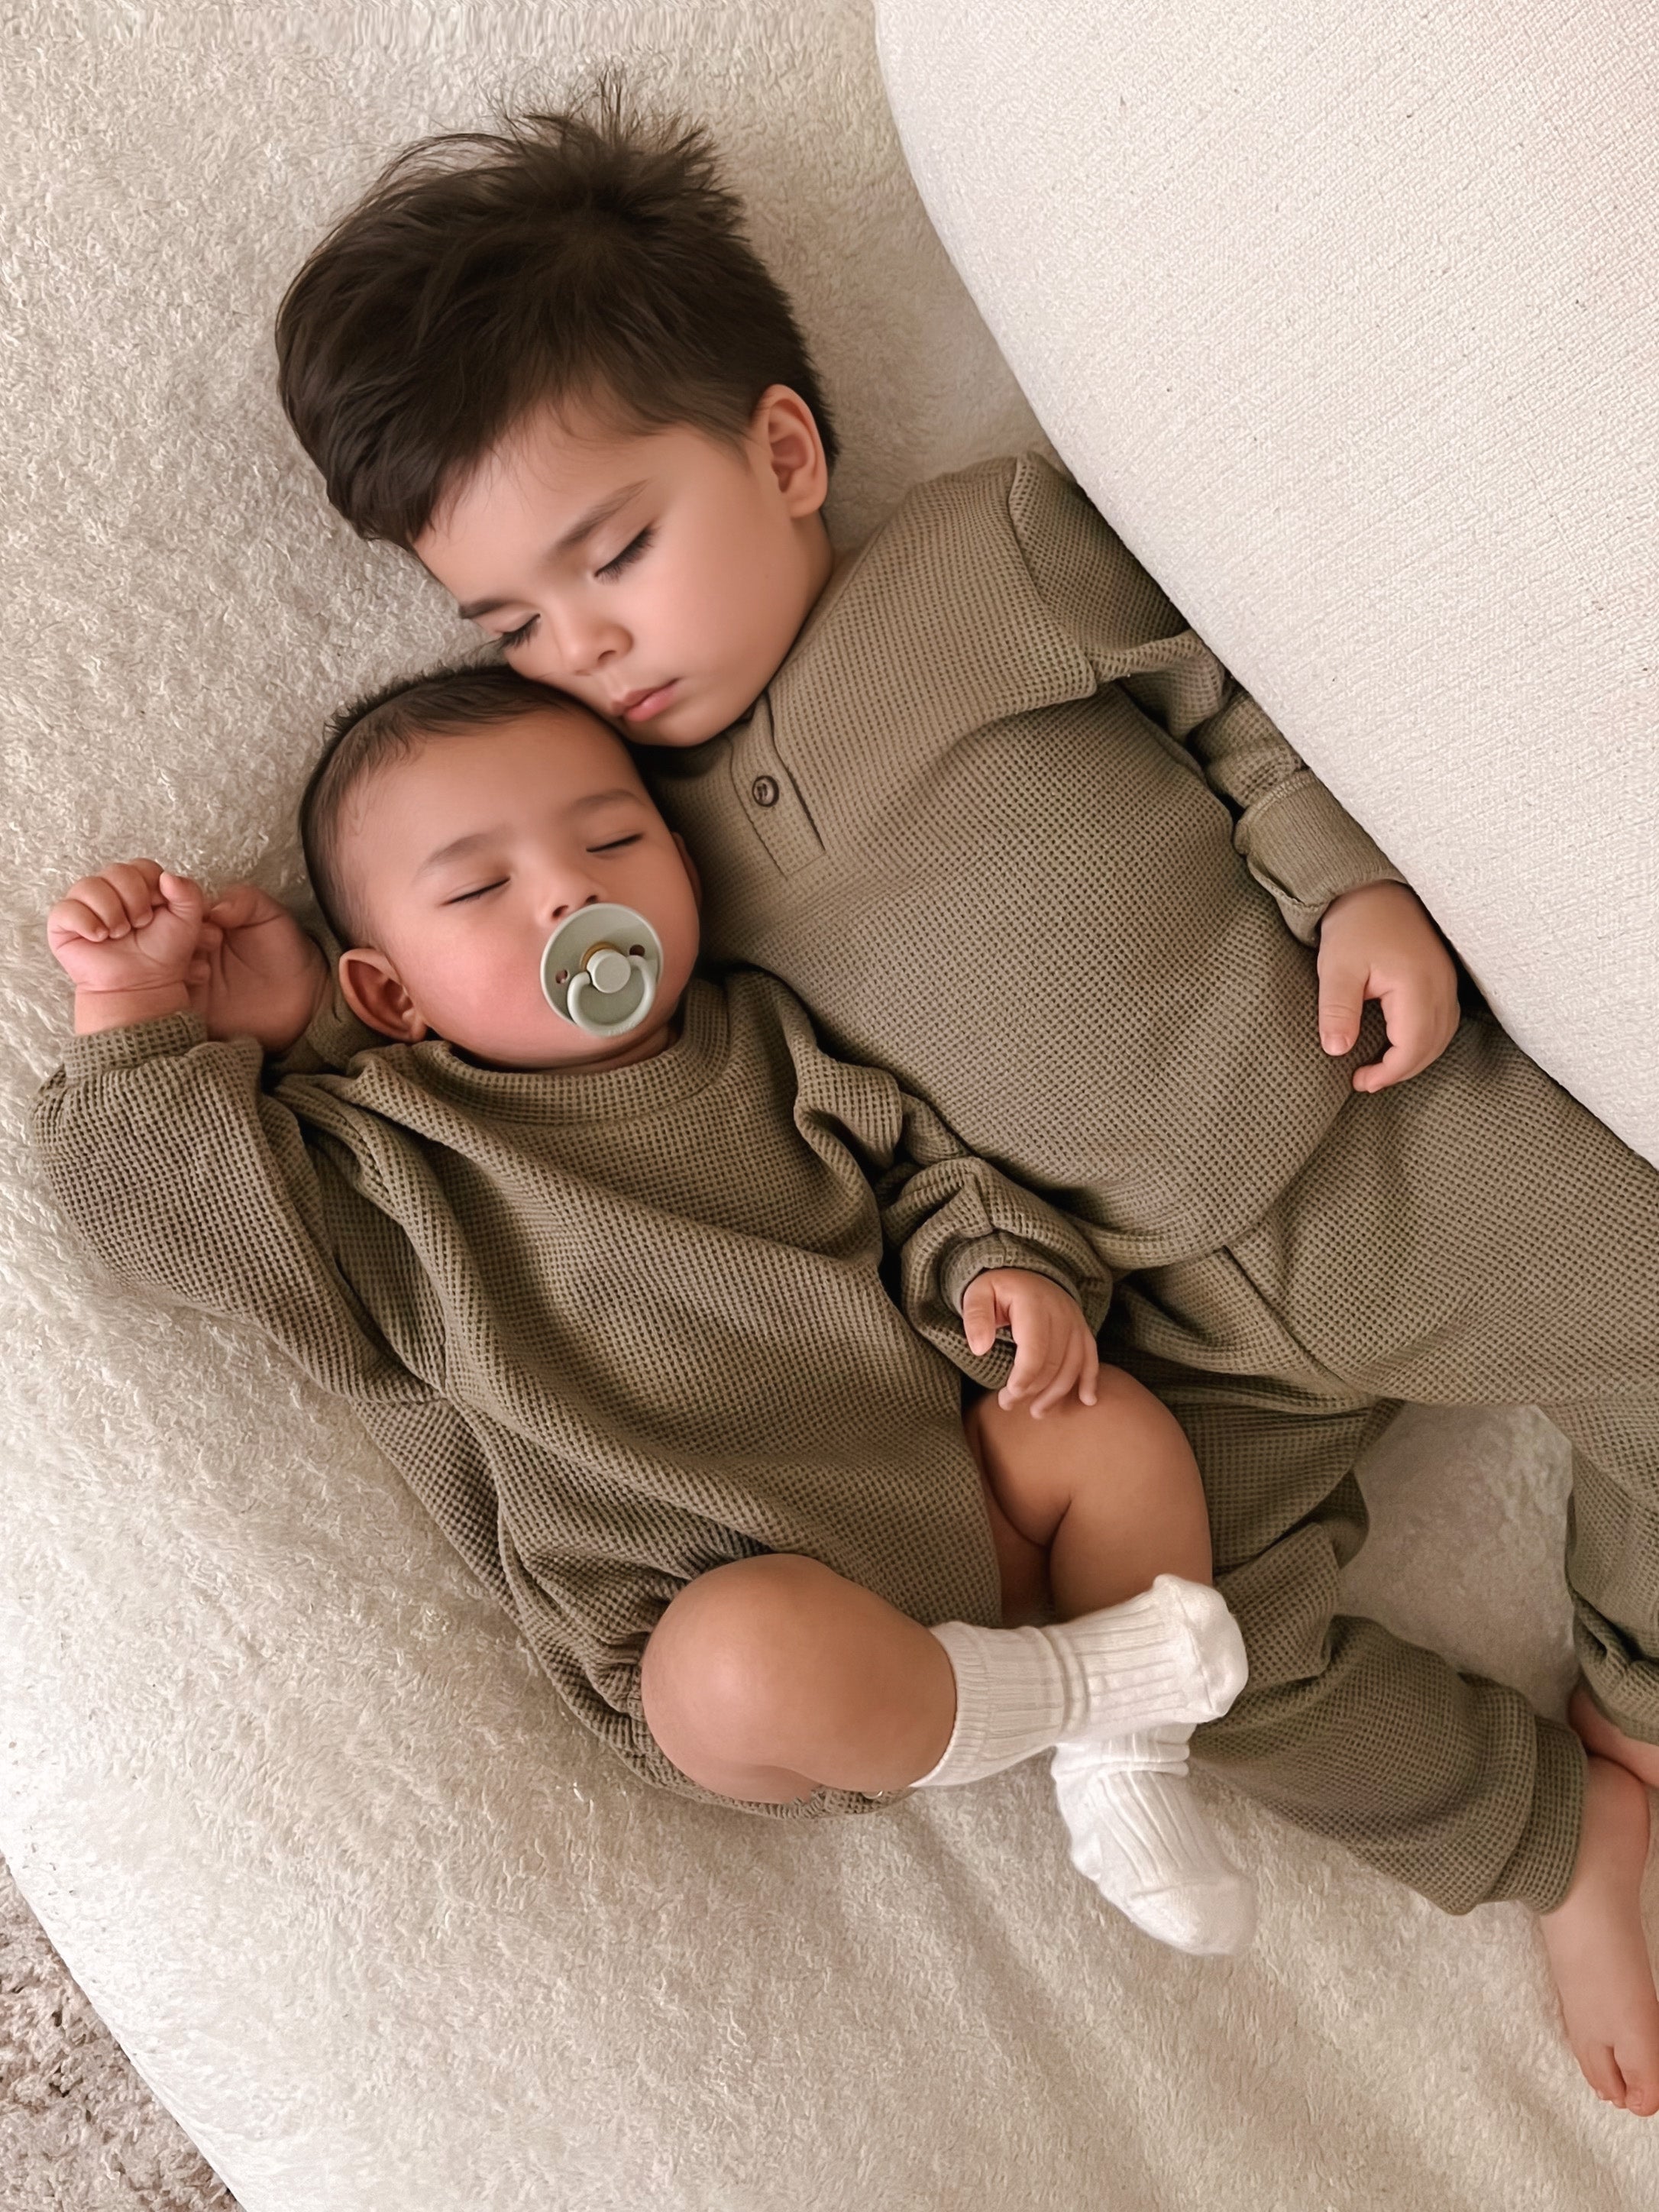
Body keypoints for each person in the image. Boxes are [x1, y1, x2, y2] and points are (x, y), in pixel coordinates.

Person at [268, 79, 1659, 2108]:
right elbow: (526, 1062)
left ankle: (1636, 1697)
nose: (587, 650)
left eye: (616, 553)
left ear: (782, 448)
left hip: (1365, 1132)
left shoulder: (987, 557)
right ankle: (1547, 1830)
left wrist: (1342, 878)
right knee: (1193, 1662)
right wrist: (283, 998)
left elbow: (1230, 682)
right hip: (1146, 1341)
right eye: (511, 625)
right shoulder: (627, 850)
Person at [34, 664, 1262, 1956]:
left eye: (612, 841)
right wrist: (142, 1009)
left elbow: (925, 1177)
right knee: (749, 1656)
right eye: (480, 888)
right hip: (704, 1624)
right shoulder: (387, 1159)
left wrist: (992, 1271)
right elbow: (170, 1209)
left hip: (957, 1506)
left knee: (1100, 1422)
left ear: (681, 861)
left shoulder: (771, 1043)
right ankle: (1087, 1684)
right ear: (392, 995)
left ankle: (1127, 1763)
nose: (570, 894)